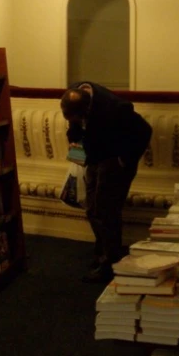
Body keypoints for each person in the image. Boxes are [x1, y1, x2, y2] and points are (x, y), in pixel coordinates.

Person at [60, 82, 153, 283]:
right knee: (92, 209)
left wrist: (124, 160)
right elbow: (75, 127)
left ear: (87, 109)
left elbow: (145, 131)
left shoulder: (116, 108)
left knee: (106, 212)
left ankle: (110, 263)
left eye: (78, 117)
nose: (75, 121)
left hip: (115, 161)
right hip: (94, 157)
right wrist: (74, 141)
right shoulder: (75, 96)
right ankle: (103, 253)